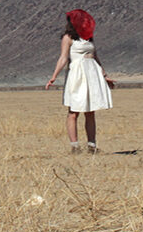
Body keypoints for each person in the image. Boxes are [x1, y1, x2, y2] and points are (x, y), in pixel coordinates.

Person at [45, 9, 114, 154]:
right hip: (77, 74)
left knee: (90, 111)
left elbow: (95, 57)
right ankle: (75, 146)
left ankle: (92, 146)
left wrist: (104, 75)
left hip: (92, 73)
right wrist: (54, 76)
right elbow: (63, 57)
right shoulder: (68, 37)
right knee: (73, 111)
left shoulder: (89, 38)